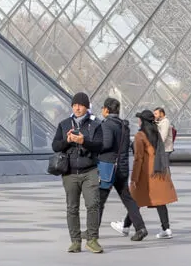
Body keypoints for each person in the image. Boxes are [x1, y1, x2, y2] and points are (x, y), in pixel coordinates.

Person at [52, 91, 103, 253]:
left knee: (93, 205)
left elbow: (100, 145)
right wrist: (67, 141)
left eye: (80, 105)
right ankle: (75, 241)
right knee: (72, 207)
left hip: (90, 170)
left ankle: (92, 239)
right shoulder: (64, 124)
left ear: (87, 107)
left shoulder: (95, 124)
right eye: (74, 105)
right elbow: (55, 146)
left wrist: (83, 141)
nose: (77, 108)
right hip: (70, 172)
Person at [95, 99, 146, 242]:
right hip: (122, 167)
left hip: (109, 167)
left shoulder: (106, 125)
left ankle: (93, 231)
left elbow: (106, 144)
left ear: (106, 110)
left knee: (99, 200)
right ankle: (140, 227)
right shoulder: (124, 126)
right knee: (128, 199)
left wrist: (95, 148)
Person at [131, 109, 177, 236]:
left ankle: (124, 226)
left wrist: (134, 177)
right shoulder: (156, 133)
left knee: (135, 200)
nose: (138, 121)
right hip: (159, 171)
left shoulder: (140, 136)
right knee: (160, 201)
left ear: (143, 121)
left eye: (139, 119)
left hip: (146, 173)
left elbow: (138, 158)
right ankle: (166, 229)